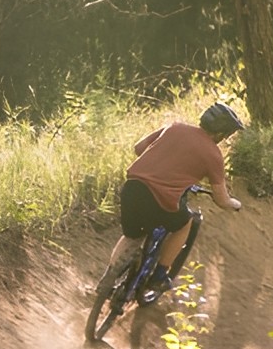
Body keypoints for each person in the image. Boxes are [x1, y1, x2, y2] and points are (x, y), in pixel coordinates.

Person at [101, 102, 246, 300]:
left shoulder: (174, 127)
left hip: (132, 188)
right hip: (160, 200)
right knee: (184, 223)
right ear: (221, 134)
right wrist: (235, 204)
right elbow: (221, 200)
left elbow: (138, 148)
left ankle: (107, 279)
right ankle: (159, 275)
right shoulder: (213, 155)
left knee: (132, 236)